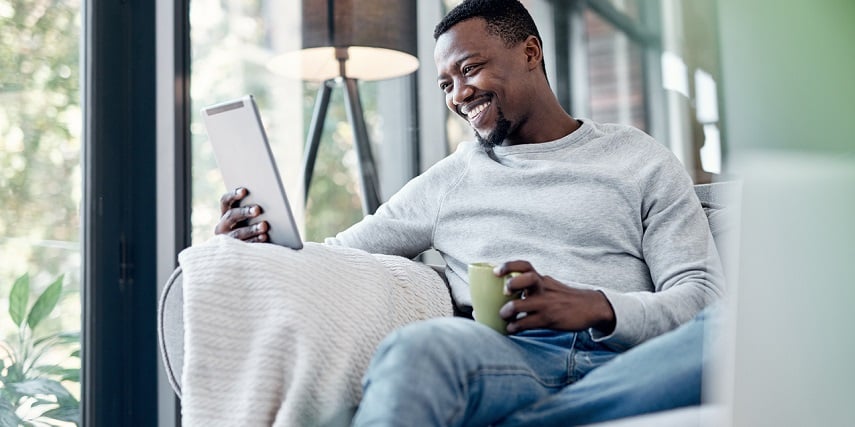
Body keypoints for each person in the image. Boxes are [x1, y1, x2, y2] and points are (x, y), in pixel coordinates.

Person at [215, 0, 725, 425]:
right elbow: (334, 256)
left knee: (728, 330)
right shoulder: (449, 182)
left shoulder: (638, 158)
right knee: (419, 350)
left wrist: (596, 305)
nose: (459, 95)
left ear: (530, 52)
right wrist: (257, 242)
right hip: (513, 362)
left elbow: (701, 296)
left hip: (632, 360)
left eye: (470, 68)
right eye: (444, 84)